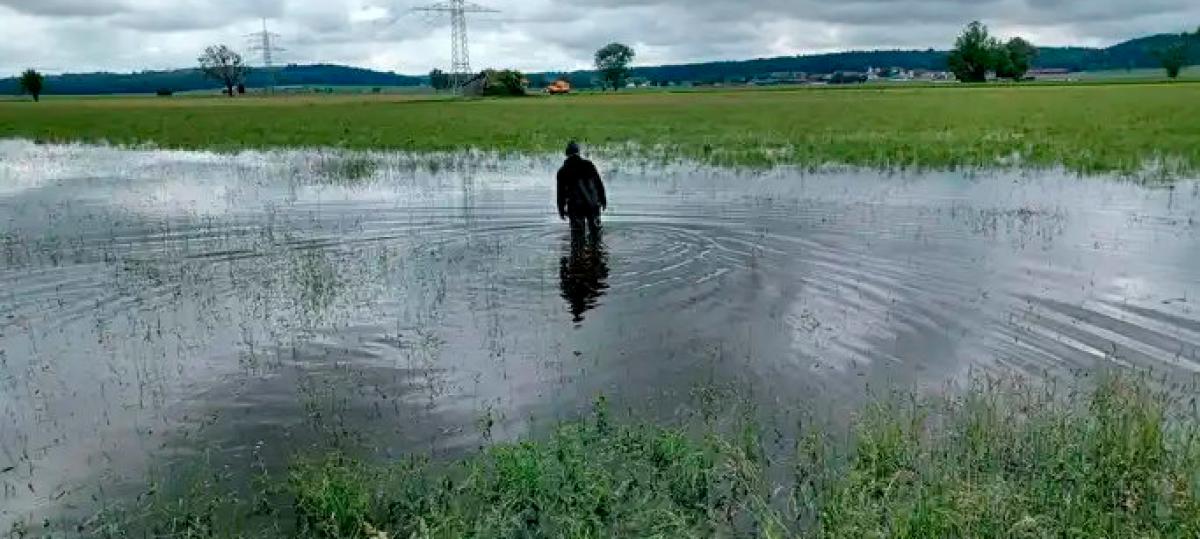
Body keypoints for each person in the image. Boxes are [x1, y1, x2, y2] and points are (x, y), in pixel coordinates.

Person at [556, 141, 607, 238]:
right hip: (592, 204)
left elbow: (560, 194)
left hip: (575, 206)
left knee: (577, 236)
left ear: (567, 154)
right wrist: (603, 200)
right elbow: (598, 184)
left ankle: (576, 252)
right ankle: (597, 251)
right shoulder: (588, 165)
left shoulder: (562, 171)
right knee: (596, 233)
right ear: (578, 152)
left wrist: (561, 209)